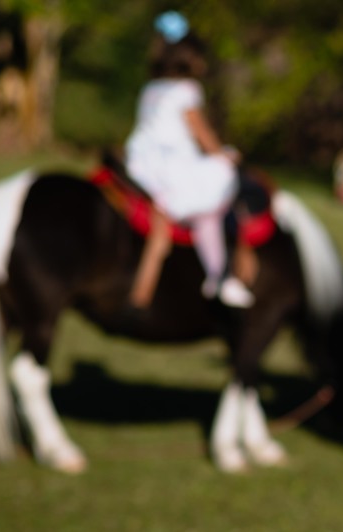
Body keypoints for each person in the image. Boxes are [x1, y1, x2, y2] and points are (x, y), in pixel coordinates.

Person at [124, 10, 255, 310]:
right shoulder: (187, 90)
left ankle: (218, 275)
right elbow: (201, 133)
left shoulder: (151, 88)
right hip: (173, 166)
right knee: (213, 199)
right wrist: (223, 155)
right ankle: (219, 274)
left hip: (144, 163)